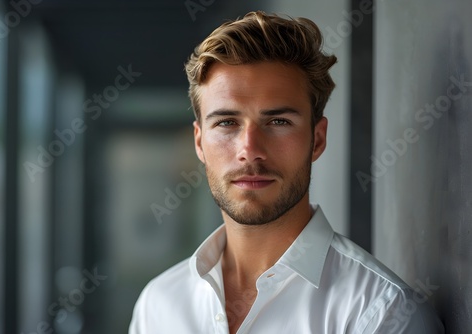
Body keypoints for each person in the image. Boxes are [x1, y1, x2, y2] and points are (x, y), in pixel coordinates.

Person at [129, 11, 444, 334]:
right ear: (199, 142)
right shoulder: (158, 305)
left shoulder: (381, 314)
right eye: (226, 123)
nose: (249, 150)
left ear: (317, 139)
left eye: (278, 122)